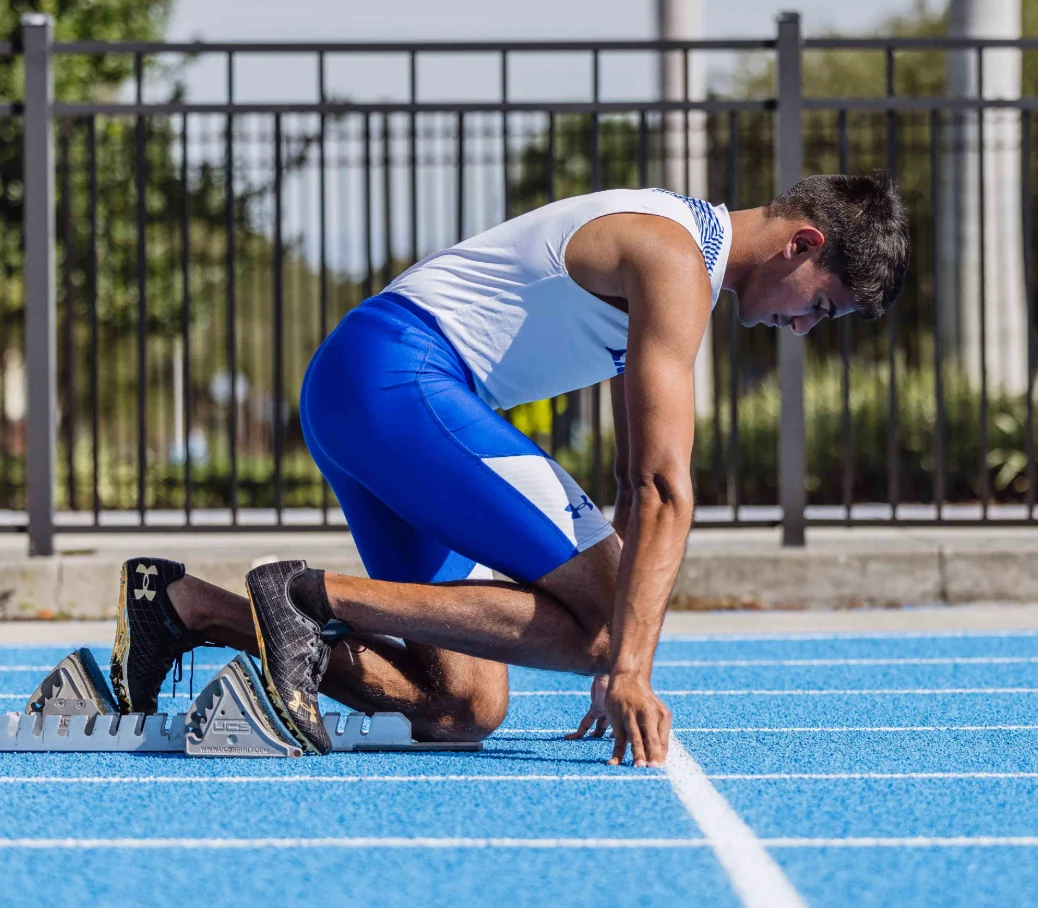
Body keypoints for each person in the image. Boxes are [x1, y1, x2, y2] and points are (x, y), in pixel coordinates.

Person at [111, 172, 909, 765]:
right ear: (804, 244)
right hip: (399, 378)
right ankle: (301, 593)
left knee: (464, 708)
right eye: (822, 305)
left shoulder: (680, 252)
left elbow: (637, 482)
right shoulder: (673, 258)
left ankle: (185, 607)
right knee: (600, 627)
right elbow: (667, 488)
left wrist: (623, 646)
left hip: (364, 390)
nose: (802, 326)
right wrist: (625, 661)